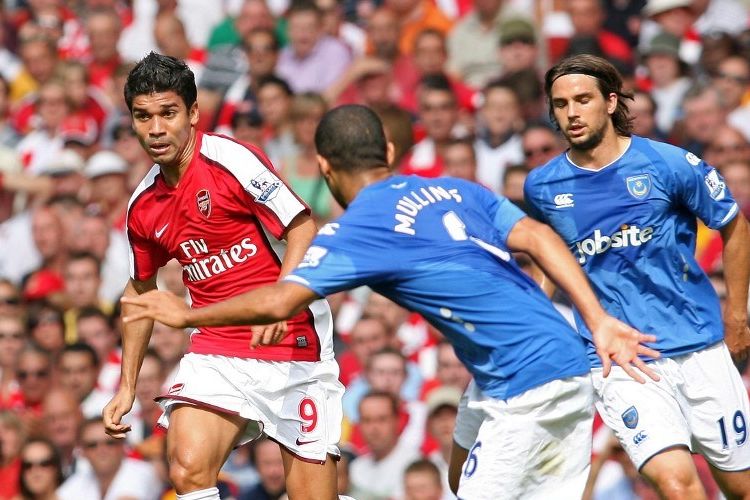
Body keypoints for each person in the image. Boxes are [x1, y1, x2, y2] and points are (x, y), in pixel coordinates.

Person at [121, 103, 658, 498]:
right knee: (456, 476)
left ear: (325, 170)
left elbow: (278, 302)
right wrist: (599, 320)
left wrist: (185, 313)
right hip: (527, 368)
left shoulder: (355, 232)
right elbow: (541, 238)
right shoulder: (454, 188)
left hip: (528, 382)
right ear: (392, 154)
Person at [101, 52, 343, 500]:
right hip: (217, 348)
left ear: (193, 114)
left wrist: (283, 300)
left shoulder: (231, 160)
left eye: (168, 113)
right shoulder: (143, 206)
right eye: (143, 116)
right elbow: (139, 294)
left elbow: (302, 227)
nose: (156, 129)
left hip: (293, 343)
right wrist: (126, 386)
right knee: (187, 469)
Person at [524, 54, 750, 499]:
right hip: (620, 359)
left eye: (582, 100)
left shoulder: (668, 164)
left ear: (610, 102)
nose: (571, 113)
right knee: (677, 484)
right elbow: (549, 256)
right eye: (560, 103)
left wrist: (737, 314)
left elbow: (735, 225)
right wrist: (534, 325)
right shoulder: (542, 186)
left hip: (698, 345)